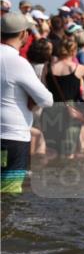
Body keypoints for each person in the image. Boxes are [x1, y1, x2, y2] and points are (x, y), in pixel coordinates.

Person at [2, 13, 54, 194]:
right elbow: (46, 100)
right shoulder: (17, 62)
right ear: (24, 34)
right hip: (11, 137)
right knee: (9, 193)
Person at [43, 37, 84, 159]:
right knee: (68, 151)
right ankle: (66, 176)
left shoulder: (47, 67)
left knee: (51, 150)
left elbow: (43, 87)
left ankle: (49, 176)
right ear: (74, 51)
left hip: (50, 109)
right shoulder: (79, 68)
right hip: (70, 110)